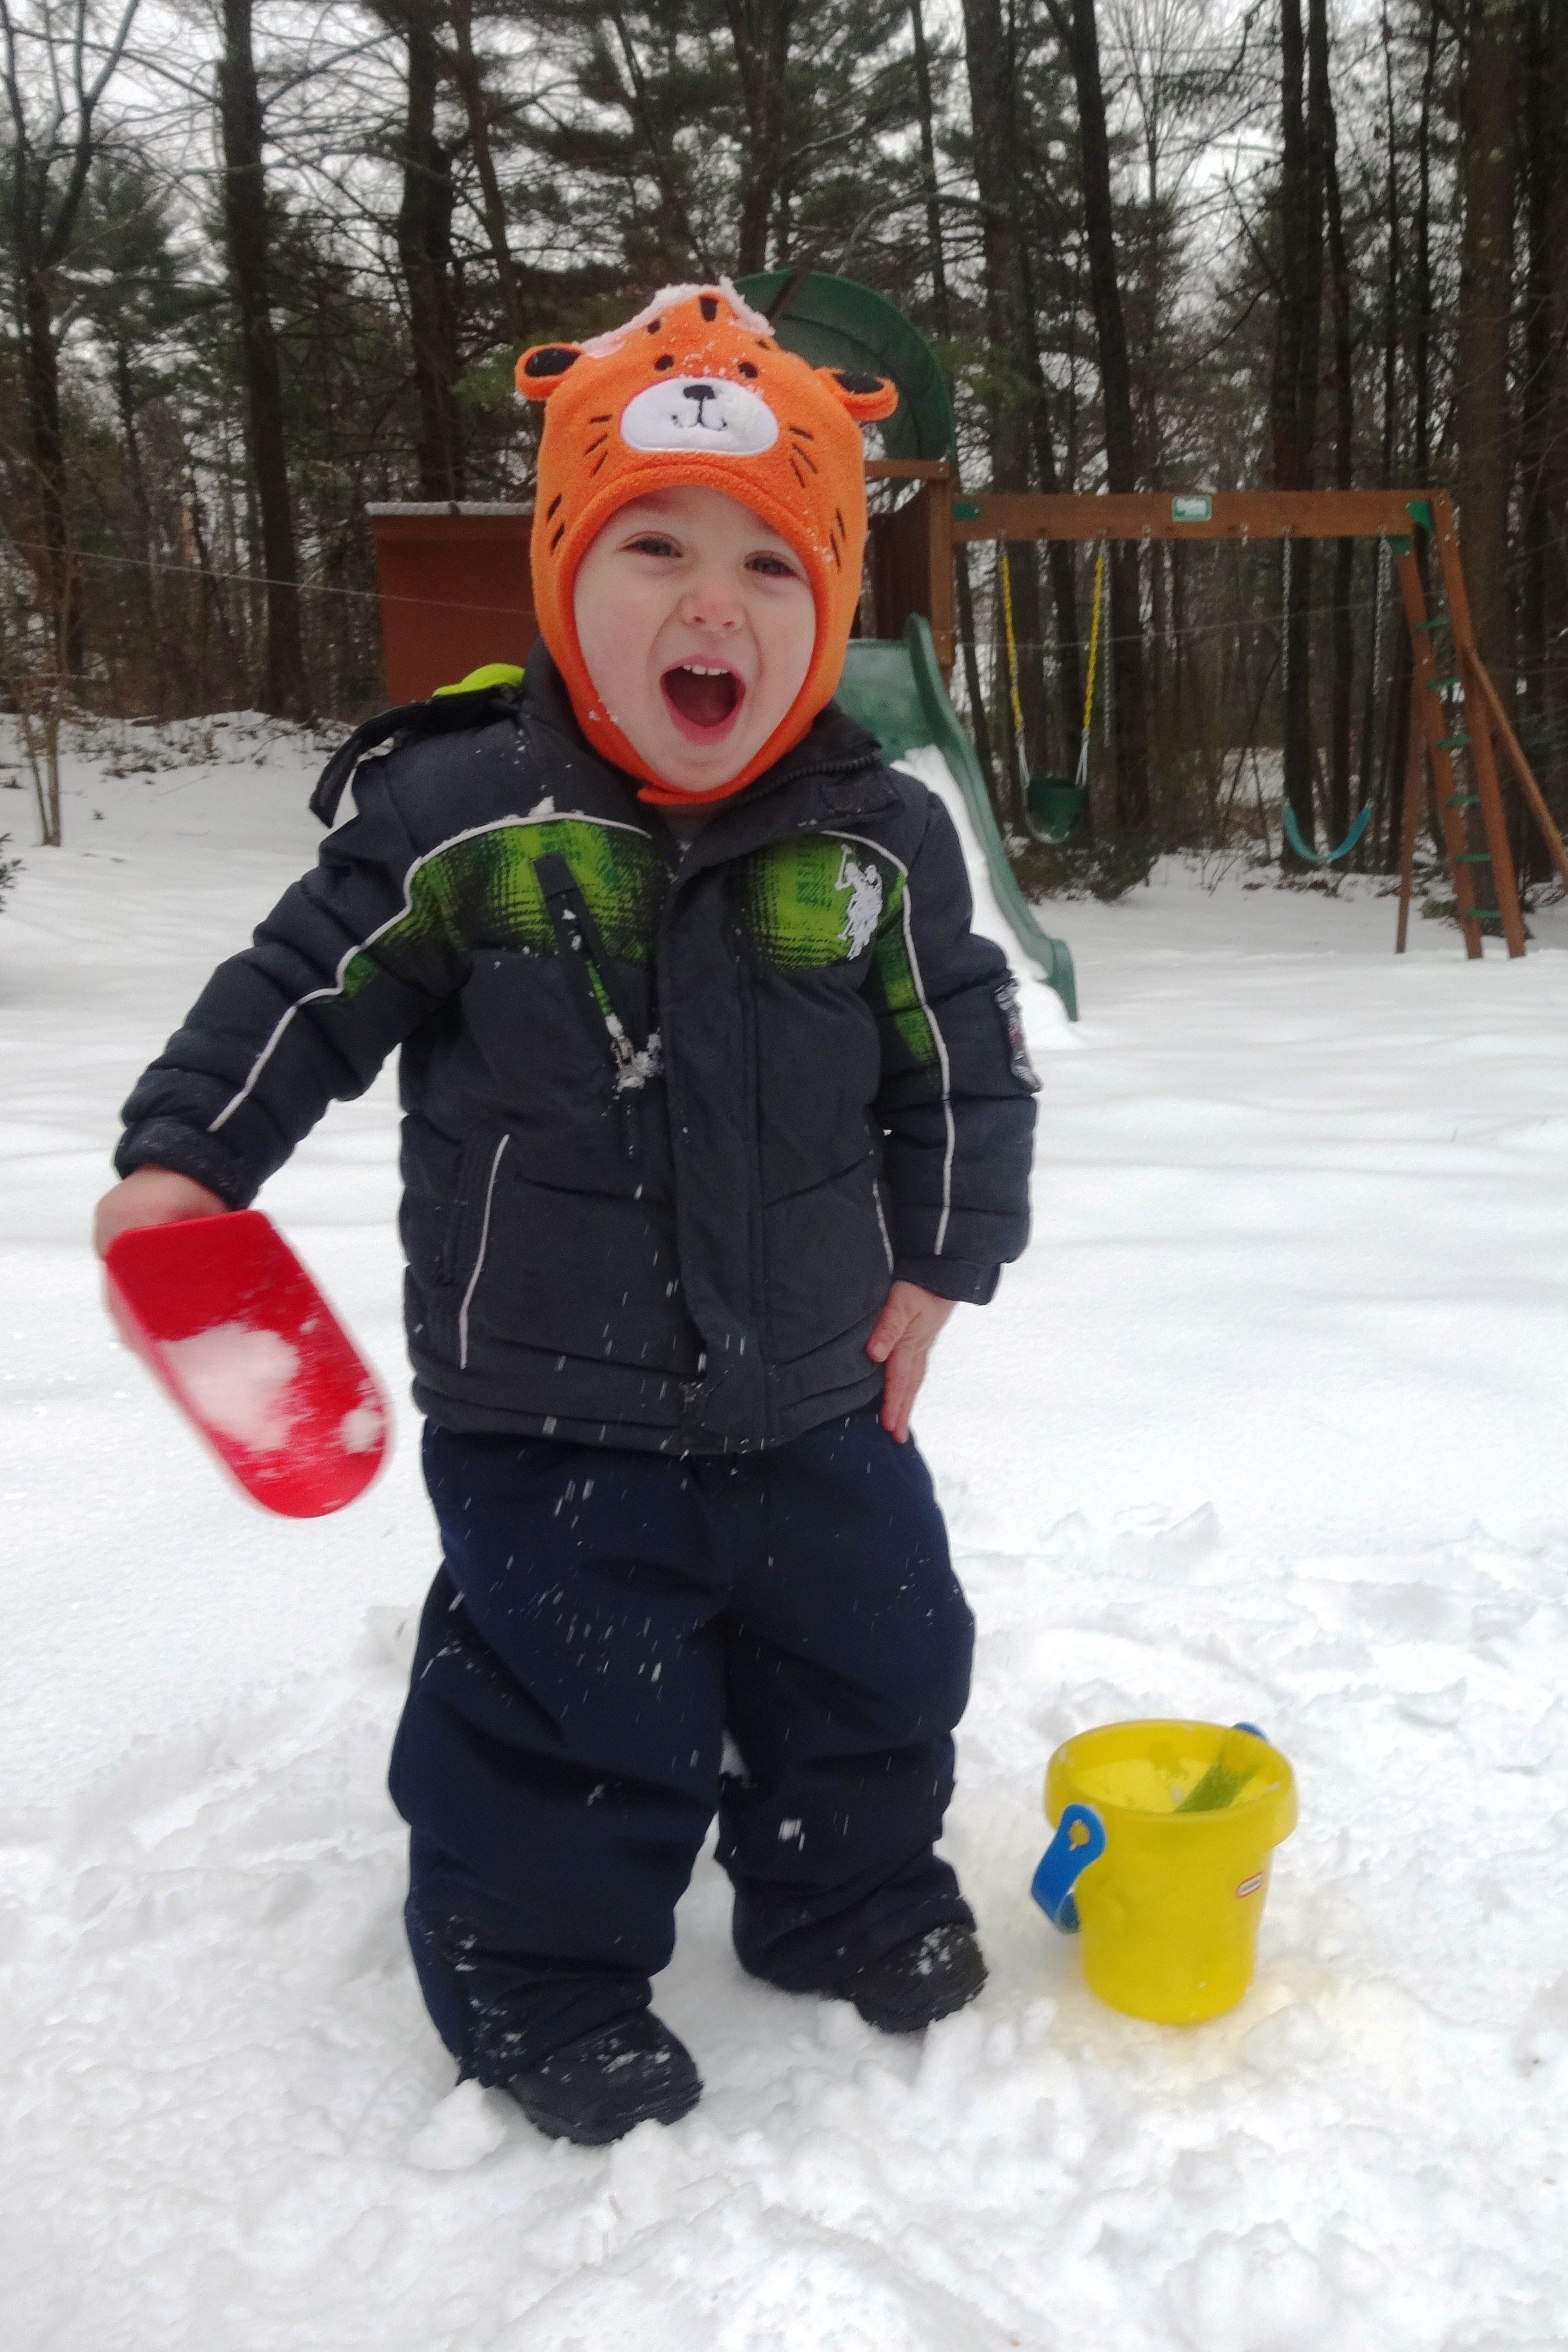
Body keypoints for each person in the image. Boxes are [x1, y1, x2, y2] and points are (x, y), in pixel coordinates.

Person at [94, 282, 1038, 2147]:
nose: (712, 605)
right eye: (653, 548)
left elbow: (957, 1063)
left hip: (816, 1387)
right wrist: (185, 1158)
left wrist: (944, 1262)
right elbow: (298, 990)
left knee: (873, 1659)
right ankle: (539, 1976)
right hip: (546, 1398)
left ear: (830, 609)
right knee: (563, 1714)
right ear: (560, 572)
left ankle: (843, 1890)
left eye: (769, 565)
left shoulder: (876, 839)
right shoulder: (462, 814)